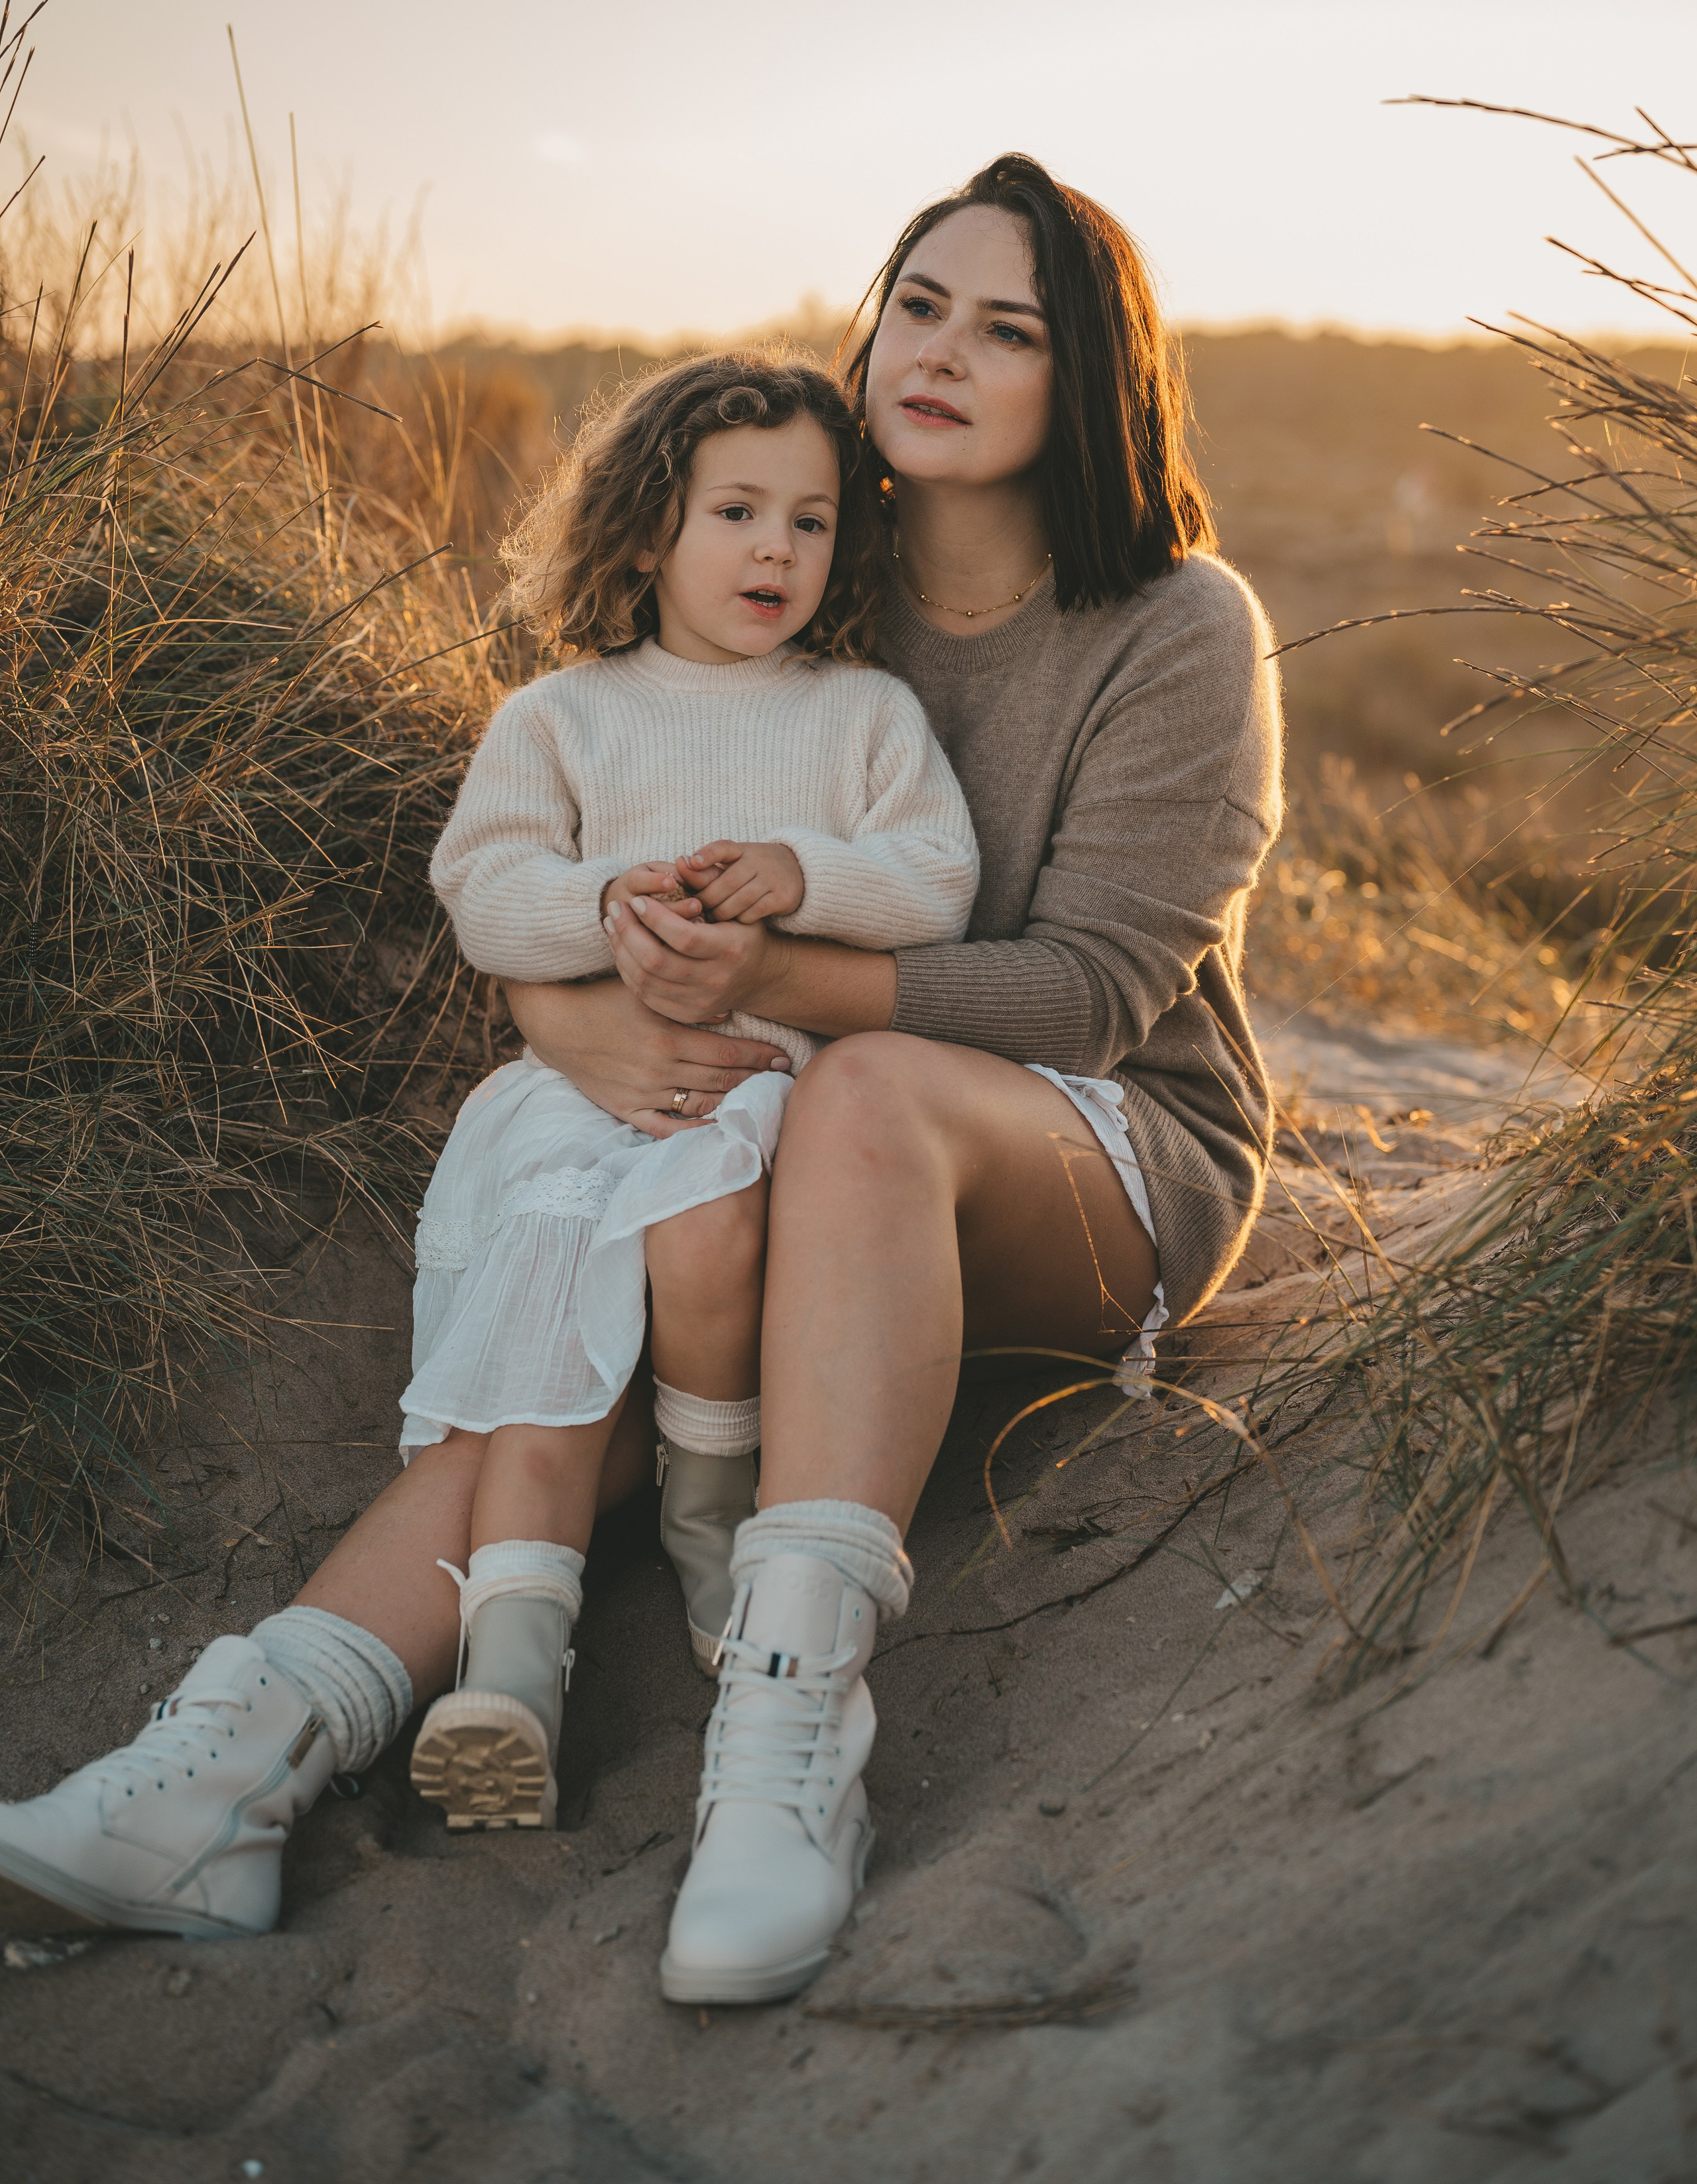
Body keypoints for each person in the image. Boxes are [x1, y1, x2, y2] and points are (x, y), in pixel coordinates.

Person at [0, 159, 1280, 2004]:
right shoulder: (796, 562)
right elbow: (590, 851)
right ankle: (237, 1760)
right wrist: (569, 1022)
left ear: (1091, 382)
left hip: (1089, 1157)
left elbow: (1088, 996)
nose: (940, 354)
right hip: (773, 1134)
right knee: (590, 1288)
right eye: (918, 306)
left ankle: (787, 1736)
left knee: (861, 1099)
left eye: (1008, 331)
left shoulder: (1174, 623)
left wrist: (763, 976)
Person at [401, 351, 977, 1833]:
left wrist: (804, 875)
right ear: (650, 526)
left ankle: (712, 1513)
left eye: (811, 521)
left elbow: (937, 881)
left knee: (707, 1224)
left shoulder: (861, 713)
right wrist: (602, 904)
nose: (776, 549)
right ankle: (508, 1669)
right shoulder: (562, 716)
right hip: (580, 1107)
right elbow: (482, 886)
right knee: (544, 1347)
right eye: (736, 512)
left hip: (758, 1094)